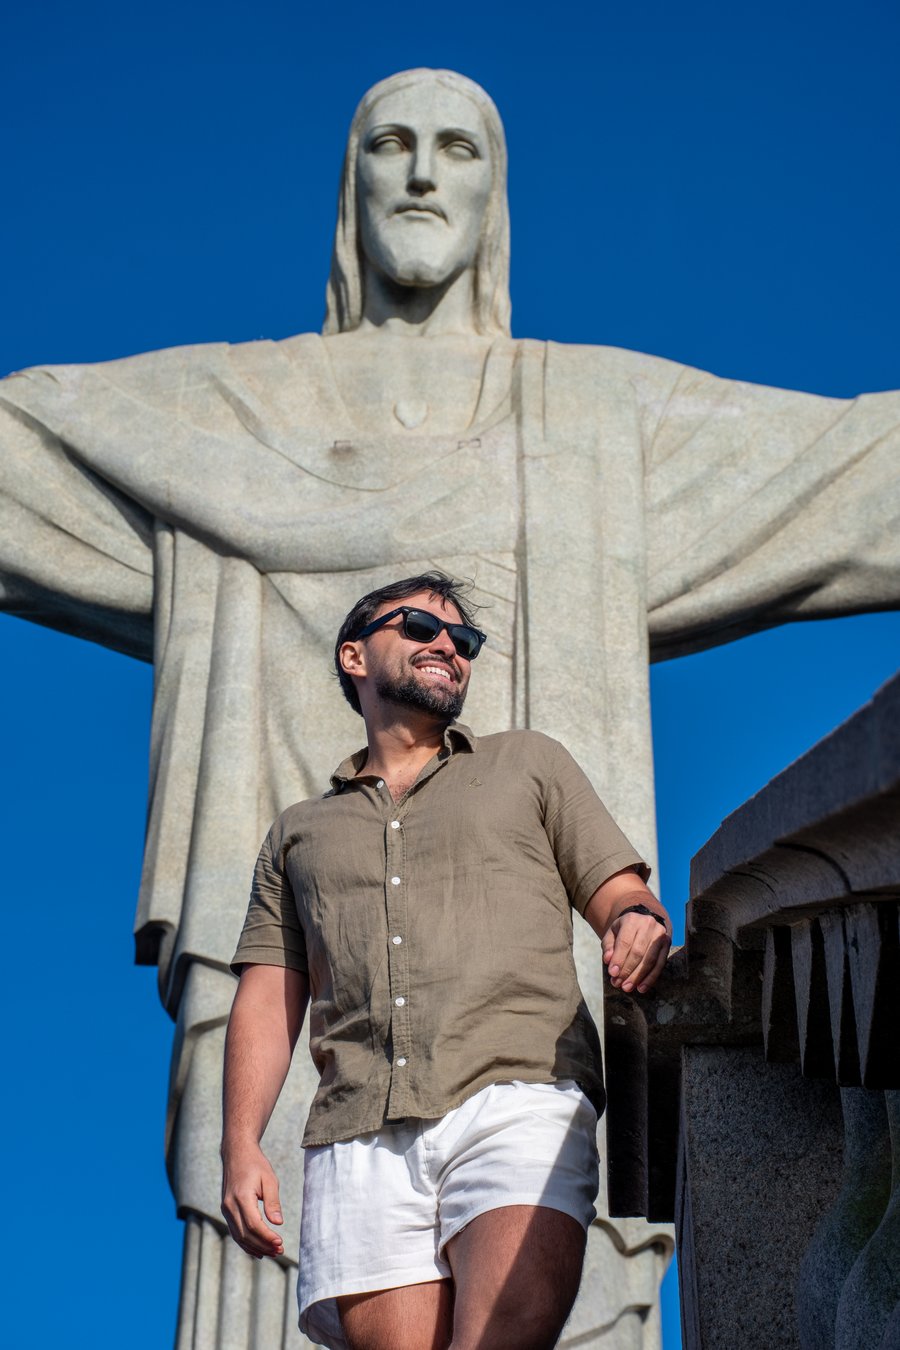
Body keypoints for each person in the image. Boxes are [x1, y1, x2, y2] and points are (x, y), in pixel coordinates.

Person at [1, 65, 898, 1346]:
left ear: (496, 197)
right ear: (349, 188)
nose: (423, 175)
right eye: (391, 145)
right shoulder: (221, 416)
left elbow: (855, 478)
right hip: (344, 1087)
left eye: (459, 150)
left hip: (518, 1076)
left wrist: (633, 924)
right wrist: (251, 1116)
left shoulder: (590, 421)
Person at [221, 572, 673, 1350]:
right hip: (358, 1130)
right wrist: (239, 1143)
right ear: (355, 656)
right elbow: (269, 996)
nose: (447, 648)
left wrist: (635, 919)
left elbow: (620, 891)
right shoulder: (299, 833)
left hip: (518, 1094)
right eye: (421, 629)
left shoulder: (527, 764)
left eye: (462, 641)